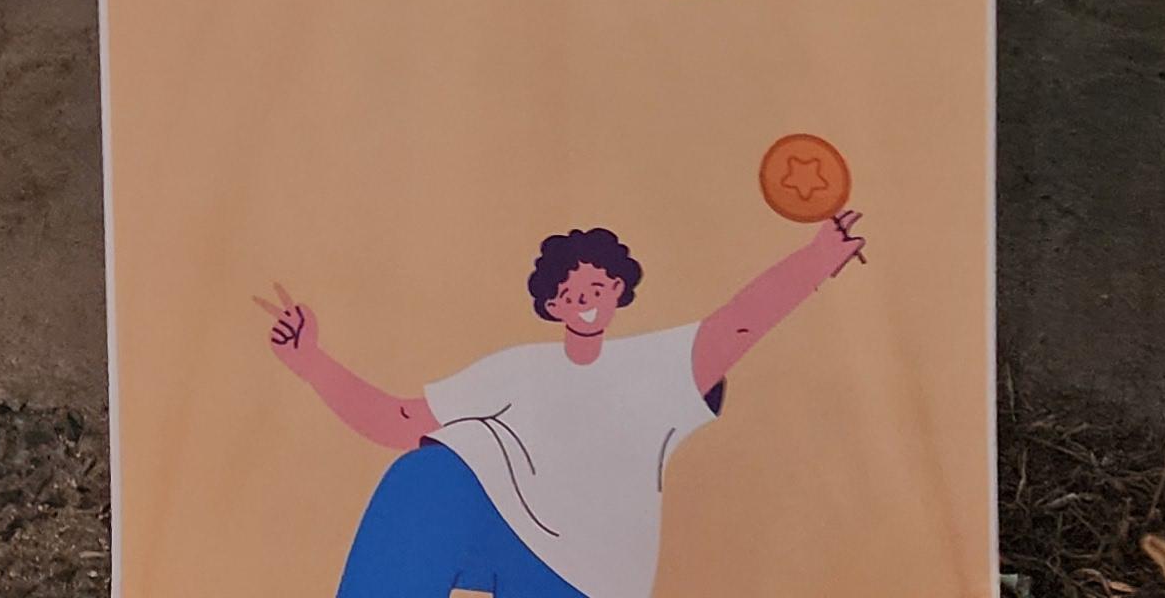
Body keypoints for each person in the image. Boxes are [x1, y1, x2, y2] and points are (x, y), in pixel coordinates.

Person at [265, 210, 867, 598]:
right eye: (570, 295)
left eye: (596, 289)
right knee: (422, 476)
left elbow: (738, 325)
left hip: (585, 574)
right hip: (501, 528)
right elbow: (399, 420)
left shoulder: (654, 366)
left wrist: (817, 258)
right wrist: (311, 362)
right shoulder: (515, 369)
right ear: (552, 306)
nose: (584, 302)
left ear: (618, 291)